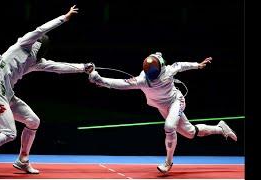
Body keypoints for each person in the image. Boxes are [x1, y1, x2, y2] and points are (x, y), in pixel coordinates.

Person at [0, 5, 95, 176]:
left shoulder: (35, 61)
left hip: (7, 95)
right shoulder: (24, 44)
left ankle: (22, 160)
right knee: (9, 133)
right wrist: (64, 18)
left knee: (33, 121)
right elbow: (40, 30)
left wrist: (83, 67)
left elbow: (58, 67)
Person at [88, 52, 237, 174]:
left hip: (176, 101)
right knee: (190, 132)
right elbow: (120, 84)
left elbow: (180, 65)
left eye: (154, 71)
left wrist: (198, 65)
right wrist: (100, 80)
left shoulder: (167, 71)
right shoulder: (142, 80)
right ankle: (220, 128)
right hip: (163, 107)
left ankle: (168, 162)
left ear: (160, 68)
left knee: (169, 126)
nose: (151, 75)